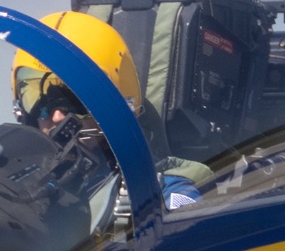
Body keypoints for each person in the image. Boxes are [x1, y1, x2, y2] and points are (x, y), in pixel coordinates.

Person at [11, 11, 211, 212]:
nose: (57, 117)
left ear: (117, 107)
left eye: (76, 102)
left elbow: (186, 222)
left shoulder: (161, 191)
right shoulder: (10, 178)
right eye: (40, 101)